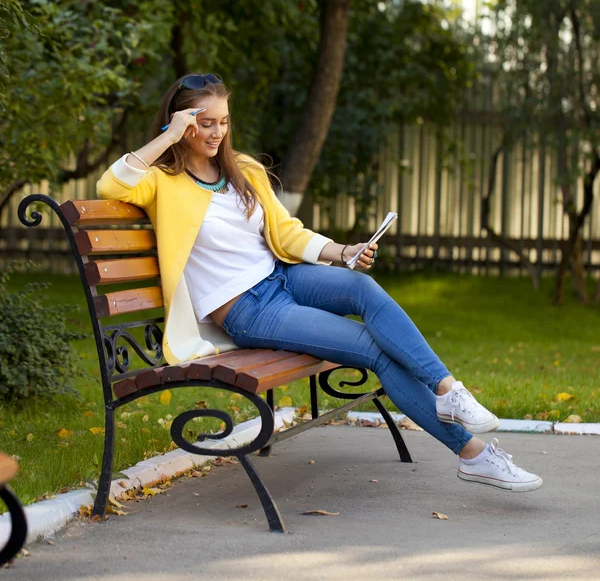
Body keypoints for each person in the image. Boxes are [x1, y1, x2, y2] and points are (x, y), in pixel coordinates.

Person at [97, 73, 543, 493]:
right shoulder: (162, 181)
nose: (217, 133)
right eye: (205, 123)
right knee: (373, 348)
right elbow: (110, 184)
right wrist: (170, 136)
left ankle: (448, 391)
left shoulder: (244, 170)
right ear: (182, 122)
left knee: (363, 289)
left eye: (225, 122)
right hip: (249, 310)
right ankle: (473, 454)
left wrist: (343, 252)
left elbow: (286, 232)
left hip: (282, 277)